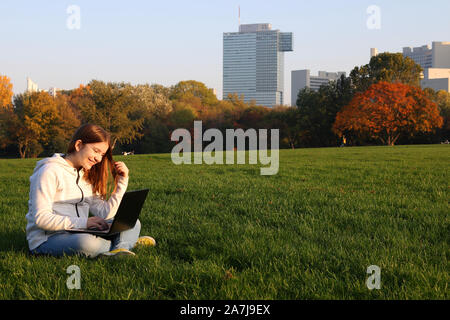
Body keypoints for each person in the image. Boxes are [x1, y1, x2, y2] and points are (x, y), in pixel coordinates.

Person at [26, 123, 155, 258]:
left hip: (79, 231)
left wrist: (122, 182)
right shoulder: (49, 171)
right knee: (87, 243)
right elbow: (40, 218)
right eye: (95, 151)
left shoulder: (85, 174)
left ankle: (120, 248)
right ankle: (126, 244)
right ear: (79, 145)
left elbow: (105, 213)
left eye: (102, 154)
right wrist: (85, 223)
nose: (98, 159)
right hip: (48, 239)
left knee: (132, 223)